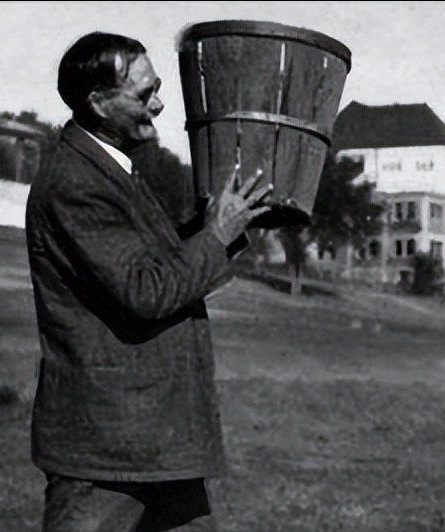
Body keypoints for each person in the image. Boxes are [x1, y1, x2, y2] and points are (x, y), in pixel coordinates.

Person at [25, 32, 274, 532]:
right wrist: (217, 235)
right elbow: (145, 292)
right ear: (97, 102)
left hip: (155, 442)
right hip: (107, 453)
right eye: (143, 95)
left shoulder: (113, 170)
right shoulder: (75, 183)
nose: (158, 104)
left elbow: (154, 266)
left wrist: (224, 226)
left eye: (156, 88)